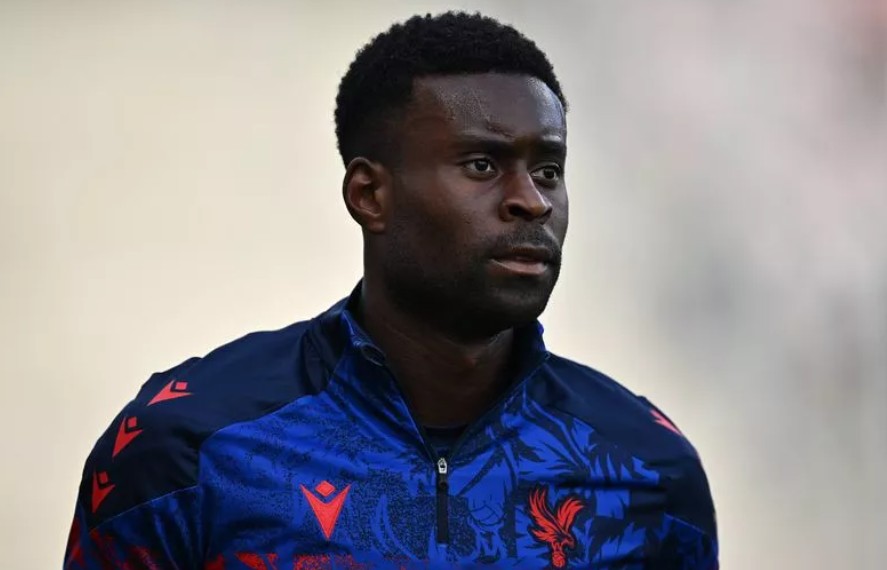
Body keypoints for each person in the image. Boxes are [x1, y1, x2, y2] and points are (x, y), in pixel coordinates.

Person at [64, 11, 717, 569]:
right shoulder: (189, 447)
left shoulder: (646, 469)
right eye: (482, 164)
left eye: (548, 169)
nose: (531, 201)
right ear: (369, 194)